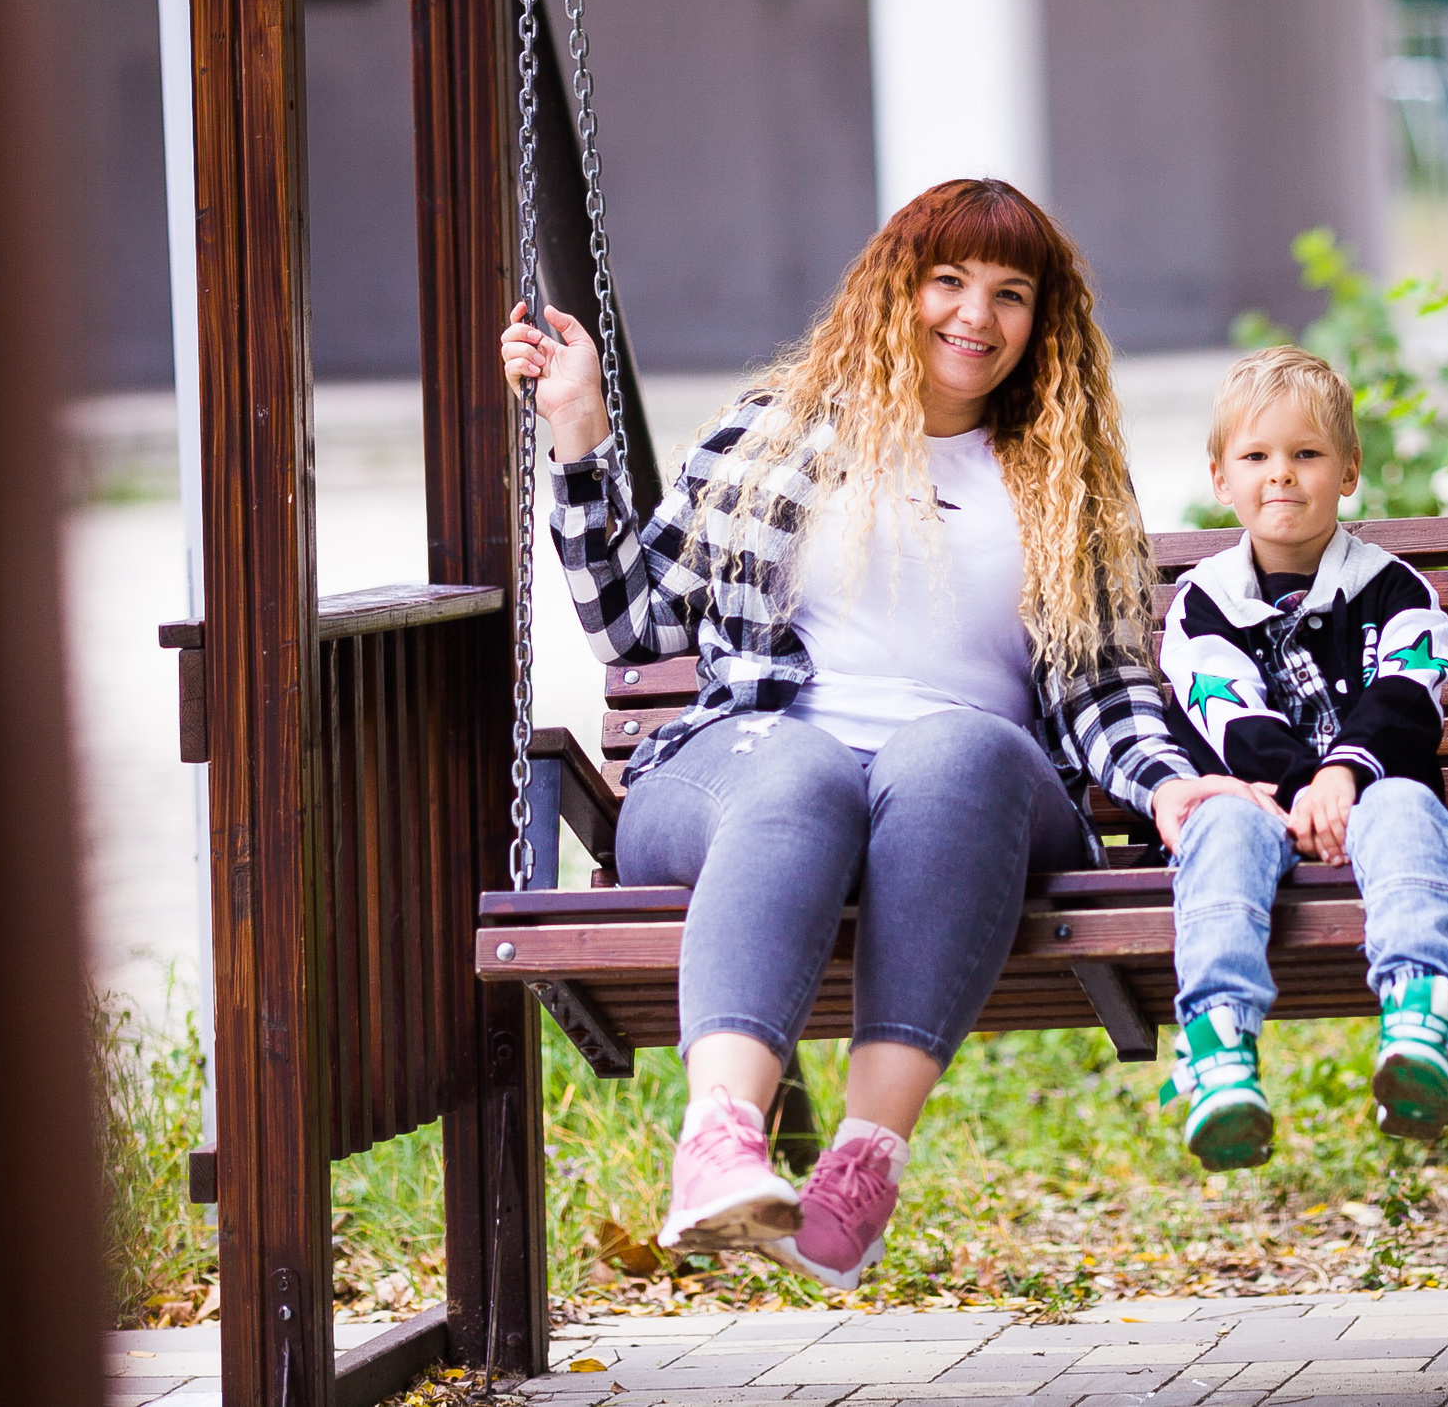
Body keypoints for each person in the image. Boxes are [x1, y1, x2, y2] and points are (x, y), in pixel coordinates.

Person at [500, 178, 1275, 1288]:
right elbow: (634, 624)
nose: (976, 315)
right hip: (750, 770)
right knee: (805, 767)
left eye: (1011, 293)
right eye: (948, 281)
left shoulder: (1062, 479)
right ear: (894, 289)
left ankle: (864, 1163)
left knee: (953, 745)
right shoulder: (777, 431)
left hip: (969, 799)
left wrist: (1162, 788)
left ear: (1041, 323)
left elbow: (1102, 686)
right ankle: (718, 1141)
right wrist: (578, 431)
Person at [1154, 346, 1448, 1171]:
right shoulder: (1203, 602)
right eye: (1256, 456)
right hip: (1255, 801)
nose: (1281, 475)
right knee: (1215, 828)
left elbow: (1410, 689)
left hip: (1373, 795)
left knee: (1404, 807)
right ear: (1221, 477)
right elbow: (1225, 710)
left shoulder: (1396, 589)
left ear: (1349, 469)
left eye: (1306, 454)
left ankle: (1419, 1017)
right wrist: (1303, 788)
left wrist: (1346, 775)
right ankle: (1219, 1050)